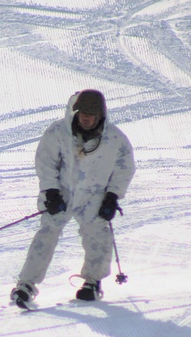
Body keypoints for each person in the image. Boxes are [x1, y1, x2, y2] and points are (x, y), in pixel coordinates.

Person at [11, 89, 136, 305]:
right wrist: (50, 190)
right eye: (82, 113)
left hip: (94, 196)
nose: (86, 117)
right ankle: (26, 285)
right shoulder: (58, 132)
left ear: (100, 115)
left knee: (97, 235)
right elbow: (45, 161)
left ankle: (92, 282)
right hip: (62, 193)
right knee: (47, 233)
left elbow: (125, 168)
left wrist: (112, 196)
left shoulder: (115, 139)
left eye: (91, 113)